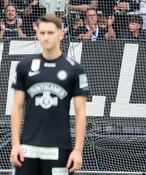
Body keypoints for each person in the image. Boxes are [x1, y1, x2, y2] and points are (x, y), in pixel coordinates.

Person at [10, 14, 89, 175]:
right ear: (37, 33)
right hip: (27, 148)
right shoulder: (24, 66)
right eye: (43, 32)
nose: (46, 37)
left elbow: (81, 112)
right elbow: (17, 107)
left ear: (61, 34)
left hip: (59, 148)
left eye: (51, 33)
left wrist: (78, 150)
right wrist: (15, 144)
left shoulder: (74, 69)